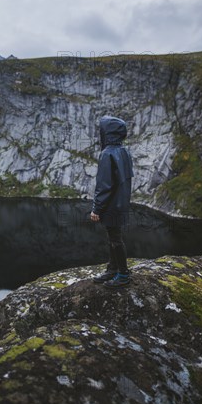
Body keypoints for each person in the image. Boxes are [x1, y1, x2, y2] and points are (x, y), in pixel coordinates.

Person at [90, 115, 134, 287]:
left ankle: (123, 274)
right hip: (121, 202)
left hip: (110, 205)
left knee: (115, 239)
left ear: (107, 133)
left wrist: (96, 209)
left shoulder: (107, 154)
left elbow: (104, 185)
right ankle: (112, 269)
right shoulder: (124, 151)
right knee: (113, 237)